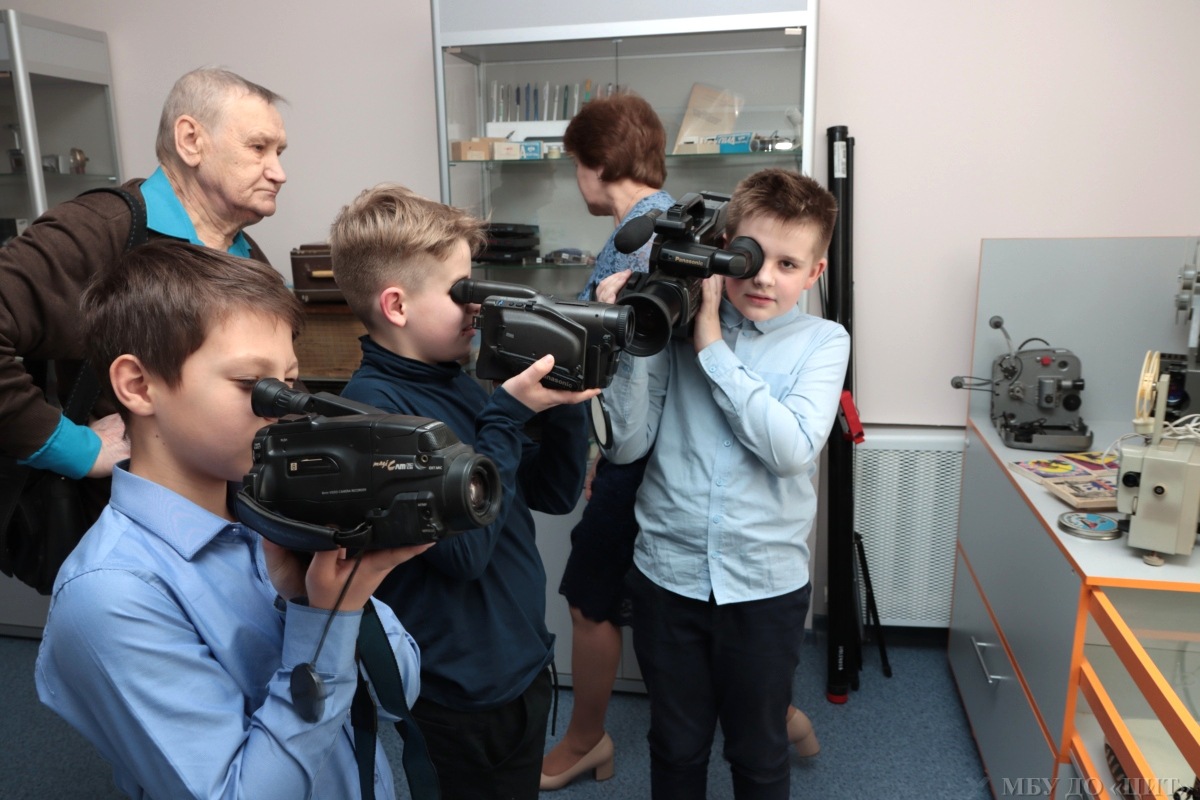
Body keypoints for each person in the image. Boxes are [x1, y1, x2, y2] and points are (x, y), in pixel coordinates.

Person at [35, 240, 429, 799]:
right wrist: (326, 620)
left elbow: (397, 693)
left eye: (288, 384)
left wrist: (331, 597)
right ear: (139, 386)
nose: (285, 411)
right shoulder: (111, 596)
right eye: (253, 386)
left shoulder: (275, 520)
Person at [328, 183, 598, 800]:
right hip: (462, 692)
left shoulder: (457, 382)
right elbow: (465, 553)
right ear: (396, 305)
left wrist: (566, 398)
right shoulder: (373, 414)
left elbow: (553, 493)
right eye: (460, 291)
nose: (478, 306)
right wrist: (505, 414)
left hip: (520, 659)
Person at [594, 167, 849, 799]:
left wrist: (712, 347)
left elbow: (790, 450)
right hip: (668, 577)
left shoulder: (823, 342)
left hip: (763, 588)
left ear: (814, 273)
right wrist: (625, 341)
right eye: (751, 256)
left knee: (758, 752)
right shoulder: (675, 328)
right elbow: (626, 444)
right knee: (674, 745)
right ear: (723, 247)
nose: (764, 278)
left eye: (789, 265)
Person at [0, 66, 287, 484]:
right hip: (114, 510)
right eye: (258, 147)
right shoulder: (97, 229)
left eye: (279, 153)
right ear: (190, 141)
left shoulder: (251, 259)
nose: (278, 172)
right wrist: (72, 448)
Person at [540, 92, 675, 791]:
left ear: (596, 163)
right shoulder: (671, 222)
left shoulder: (637, 241)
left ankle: (585, 740)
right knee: (677, 601)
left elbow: (620, 372)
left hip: (640, 456)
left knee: (589, 596)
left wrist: (606, 457)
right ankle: (779, 716)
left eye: (575, 165)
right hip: (665, 453)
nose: (578, 181)